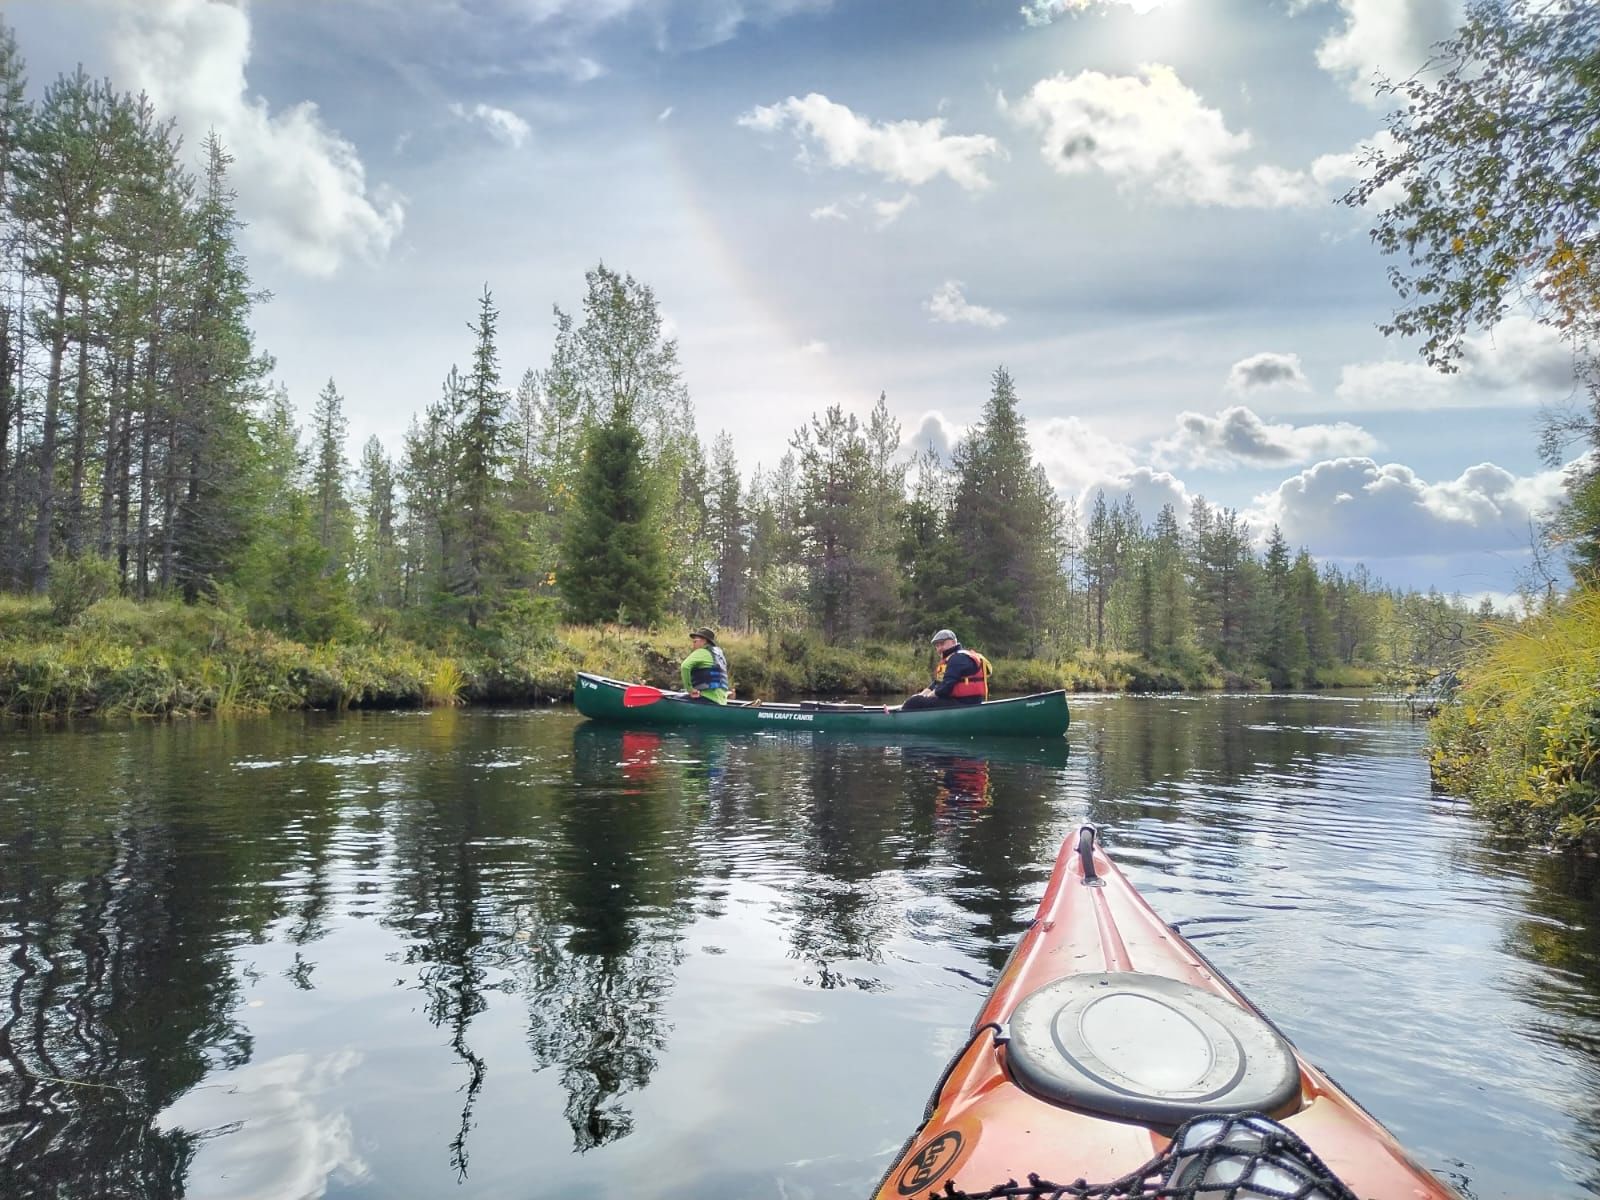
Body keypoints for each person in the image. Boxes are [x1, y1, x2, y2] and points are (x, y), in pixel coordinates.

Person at [900, 629, 990, 711]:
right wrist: (921, 694)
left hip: (964, 704)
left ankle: (899, 716)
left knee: (916, 702)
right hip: (958, 701)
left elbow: (946, 686)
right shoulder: (951, 658)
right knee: (916, 699)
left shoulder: (958, 658)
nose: (939, 648)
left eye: (942, 644)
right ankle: (900, 710)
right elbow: (937, 683)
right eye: (937, 646)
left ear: (953, 642)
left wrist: (925, 698)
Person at [680, 627, 732, 704]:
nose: (693, 644)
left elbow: (685, 666)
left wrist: (690, 689)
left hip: (707, 698)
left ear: (704, 641)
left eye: (695, 641)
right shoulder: (719, 655)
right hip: (721, 701)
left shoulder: (702, 651)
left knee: (673, 699)